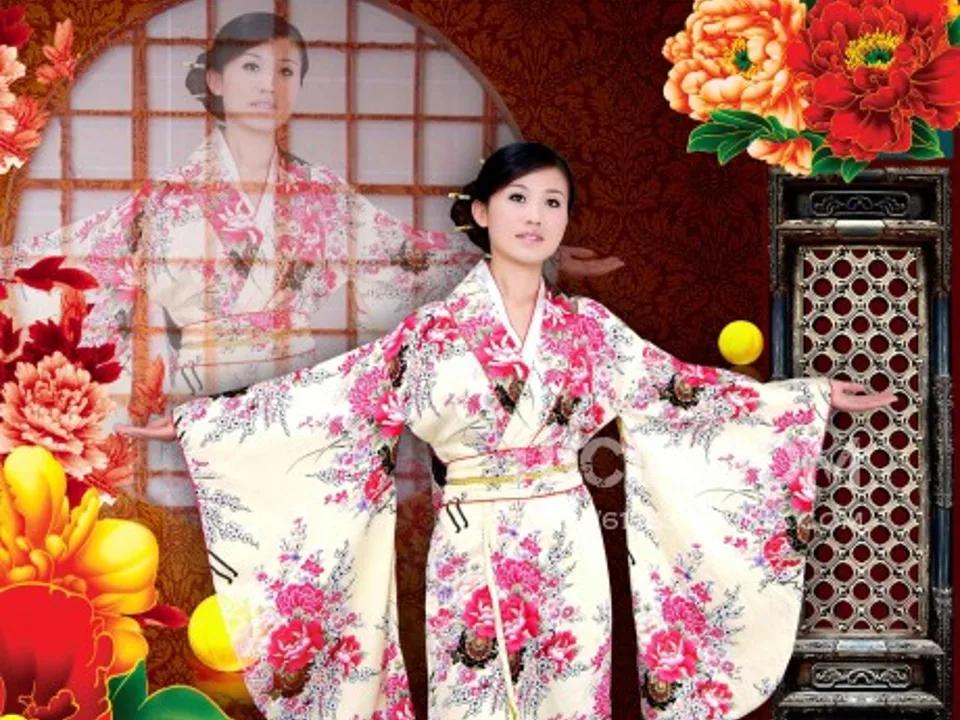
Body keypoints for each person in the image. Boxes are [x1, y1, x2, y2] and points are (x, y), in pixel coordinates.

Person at [122, 142, 893, 719]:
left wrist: (807, 399)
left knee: (570, 694)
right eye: (519, 198)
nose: (536, 216)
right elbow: (327, 397)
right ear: (483, 212)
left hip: (567, 541)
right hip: (472, 544)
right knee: (474, 698)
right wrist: (199, 423)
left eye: (553, 203)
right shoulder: (432, 335)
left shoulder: (589, 330)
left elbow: (681, 392)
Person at [14, 12, 621, 505]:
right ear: (216, 81)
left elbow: (407, 258)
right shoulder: (168, 199)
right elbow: (77, 262)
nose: (268, 86)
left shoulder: (321, 193)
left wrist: (529, 256)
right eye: (251, 67)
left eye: (285, 71)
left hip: (300, 402)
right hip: (204, 400)